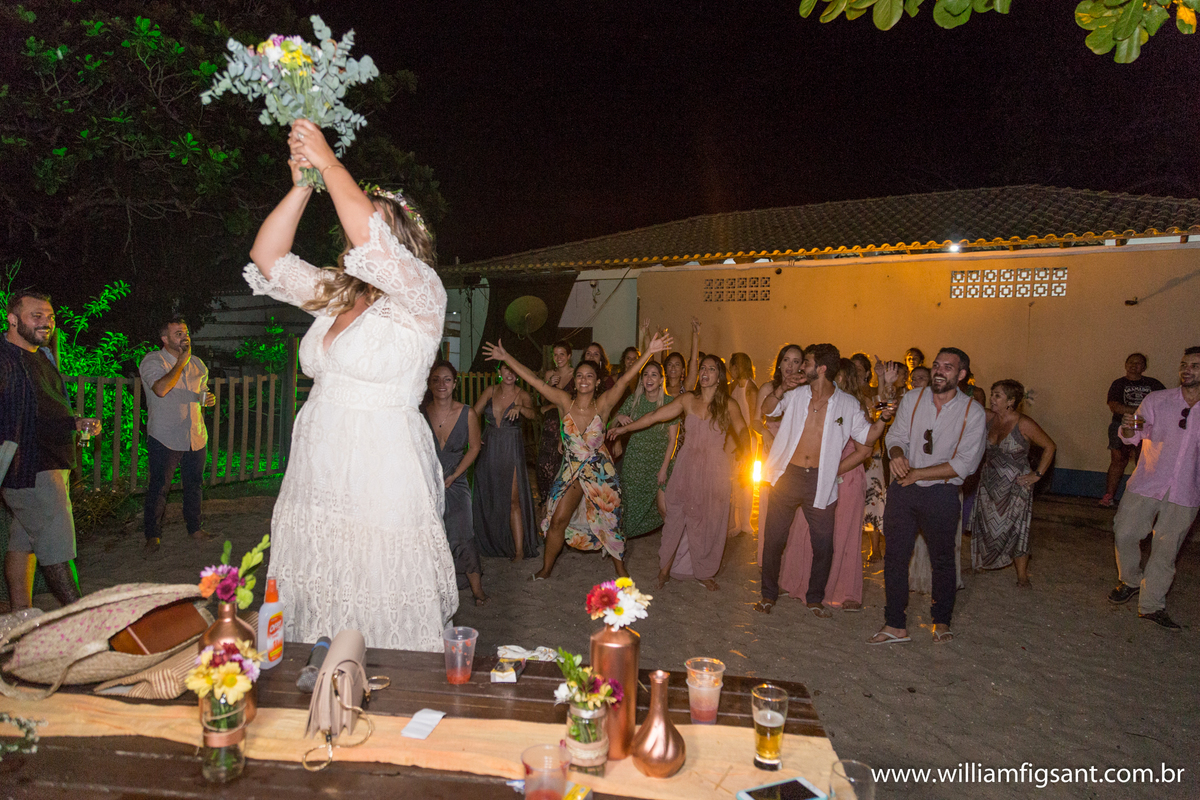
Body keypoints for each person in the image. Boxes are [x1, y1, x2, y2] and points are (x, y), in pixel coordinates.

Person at [244, 118, 457, 651]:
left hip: (381, 463)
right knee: (321, 577)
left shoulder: (422, 297)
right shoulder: (338, 293)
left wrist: (331, 162)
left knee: (375, 583)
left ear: (402, 242)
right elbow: (267, 257)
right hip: (319, 460)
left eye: (377, 226)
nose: (358, 229)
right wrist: (303, 185)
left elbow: (372, 241)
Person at [483, 332, 672, 579]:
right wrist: (506, 356)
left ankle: (619, 567)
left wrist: (648, 352)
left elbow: (626, 379)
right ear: (575, 380)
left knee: (610, 521)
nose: (584, 380)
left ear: (596, 382)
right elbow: (534, 381)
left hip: (599, 470)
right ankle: (546, 568)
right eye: (580, 375)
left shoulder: (603, 404)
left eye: (589, 376)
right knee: (558, 519)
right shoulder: (564, 401)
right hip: (572, 469)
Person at [756, 344, 891, 616]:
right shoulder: (794, 394)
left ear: (821, 368)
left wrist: (884, 418)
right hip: (787, 475)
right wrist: (781, 388)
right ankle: (768, 595)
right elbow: (768, 412)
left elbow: (866, 437)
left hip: (821, 480)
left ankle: (814, 597)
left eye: (806, 362)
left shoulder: (847, 403)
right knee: (773, 539)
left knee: (823, 545)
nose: (800, 367)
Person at [869, 347, 986, 645]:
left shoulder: (972, 412)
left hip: (942, 493)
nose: (939, 370)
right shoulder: (913, 398)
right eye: (936, 364)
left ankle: (941, 621)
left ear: (961, 375)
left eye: (948, 367)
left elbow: (966, 464)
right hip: (904, 491)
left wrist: (918, 474)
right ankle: (895, 624)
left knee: (943, 560)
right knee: (895, 557)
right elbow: (896, 437)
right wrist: (896, 455)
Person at [608, 354, 748, 591]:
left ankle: (704, 571)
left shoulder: (728, 404)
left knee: (709, 520)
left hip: (715, 468)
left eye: (711, 369)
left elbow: (744, 430)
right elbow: (653, 417)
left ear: (719, 376)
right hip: (687, 466)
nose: (704, 373)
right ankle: (665, 569)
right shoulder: (687, 399)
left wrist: (748, 455)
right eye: (702, 368)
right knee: (676, 516)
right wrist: (625, 429)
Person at [1, 290, 95, 610]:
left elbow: (40, 411)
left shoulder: (42, 355)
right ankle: (79, 617)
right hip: (29, 465)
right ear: (12, 319)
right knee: (57, 547)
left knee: (22, 541)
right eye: (36, 316)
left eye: (50, 317)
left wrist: (75, 422)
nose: (47, 323)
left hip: (51, 460)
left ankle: (20, 614)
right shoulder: (4, 359)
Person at [1107, 347, 1200, 630]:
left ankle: (1151, 605)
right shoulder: (1158, 400)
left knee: (1166, 550)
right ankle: (1131, 580)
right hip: (1147, 481)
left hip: (1186, 490)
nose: (1187, 370)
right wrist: (1127, 429)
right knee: (1124, 533)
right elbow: (1133, 437)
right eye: (1184, 364)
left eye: (1195, 366)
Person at [139, 317, 217, 555]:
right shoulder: (153, 360)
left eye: (185, 332)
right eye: (178, 334)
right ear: (165, 339)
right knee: (159, 487)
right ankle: (152, 535)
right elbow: (161, 389)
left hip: (194, 433)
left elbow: (201, 392)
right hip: (165, 434)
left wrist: (208, 398)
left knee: (194, 485)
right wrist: (181, 362)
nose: (184, 337)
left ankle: (195, 528)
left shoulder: (198, 364)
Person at [970, 380, 1056, 587]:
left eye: (997, 395)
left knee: (1018, 528)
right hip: (989, 480)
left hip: (1016, 484)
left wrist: (1037, 474)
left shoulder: (1023, 423)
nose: (992, 398)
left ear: (1011, 401)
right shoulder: (988, 418)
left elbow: (1050, 446)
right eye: (992, 394)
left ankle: (1022, 575)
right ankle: (983, 563)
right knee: (984, 524)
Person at [423, 360, 487, 606]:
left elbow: (474, 448)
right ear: (430, 383)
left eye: (447, 379)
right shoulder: (421, 413)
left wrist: (455, 475)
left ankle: (477, 589)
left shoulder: (467, 413)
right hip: (427, 482)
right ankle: (434, 587)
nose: (442, 384)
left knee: (463, 533)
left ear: (455, 384)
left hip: (456, 480)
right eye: (436, 379)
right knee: (432, 535)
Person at [471, 361, 539, 561]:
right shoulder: (490, 391)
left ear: (518, 373)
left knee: (513, 500)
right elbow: (473, 414)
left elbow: (534, 415)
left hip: (511, 448)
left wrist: (520, 408)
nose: (509, 373)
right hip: (489, 446)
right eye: (505, 369)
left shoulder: (522, 395)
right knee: (488, 495)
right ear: (499, 371)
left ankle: (518, 550)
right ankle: (492, 541)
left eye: (513, 369)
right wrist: (473, 436)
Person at [612, 360, 678, 538]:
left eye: (654, 374)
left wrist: (664, 468)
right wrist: (620, 416)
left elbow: (673, 439)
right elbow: (611, 423)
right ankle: (622, 540)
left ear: (661, 380)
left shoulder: (670, 403)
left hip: (659, 462)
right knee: (630, 505)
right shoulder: (634, 400)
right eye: (646, 374)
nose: (649, 378)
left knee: (664, 508)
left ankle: (676, 548)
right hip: (635, 461)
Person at [1101, 353, 1165, 508]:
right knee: (1118, 459)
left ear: (1144, 367)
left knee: (1142, 459)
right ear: (1125, 364)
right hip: (1122, 422)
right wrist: (1141, 410)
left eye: (1138, 363)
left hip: (1144, 424)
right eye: (1131, 362)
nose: (1134, 365)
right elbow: (1115, 406)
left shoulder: (1153, 384)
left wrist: (1142, 414)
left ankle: (1140, 499)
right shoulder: (1118, 383)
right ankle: (1108, 496)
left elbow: (1164, 404)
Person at [536, 341, 575, 503]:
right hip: (551, 423)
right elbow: (541, 400)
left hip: (569, 423)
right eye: (555, 354)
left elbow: (573, 401)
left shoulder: (576, 374)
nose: (558, 358)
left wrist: (551, 404)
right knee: (544, 465)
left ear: (569, 356)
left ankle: (561, 502)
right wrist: (548, 385)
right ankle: (546, 501)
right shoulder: (549, 374)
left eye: (562, 354)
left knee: (564, 465)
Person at [728, 352, 759, 536]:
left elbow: (753, 420)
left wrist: (744, 446)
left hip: (747, 439)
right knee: (734, 479)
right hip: (734, 439)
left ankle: (745, 522)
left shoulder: (751, 389)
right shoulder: (734, 387)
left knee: (745, 480)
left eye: (732, 366)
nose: (730, 370)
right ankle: (736, 521)